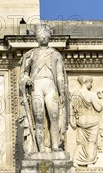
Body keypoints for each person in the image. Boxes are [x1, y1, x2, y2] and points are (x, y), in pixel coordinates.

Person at [19, 24, 69, 153]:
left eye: (45, 35)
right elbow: (24, 74)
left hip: (51, 85)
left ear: (49, 36)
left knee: (54, 116)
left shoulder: (56, 54)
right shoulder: (31, 54)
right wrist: (26, 80)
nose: (43, 37)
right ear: (37, 37)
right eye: (41, 35)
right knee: (39, 118)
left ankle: (55, 146)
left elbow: (59, 76)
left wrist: (62, 93)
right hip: (36, 85)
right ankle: (40, 149)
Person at [70, 75, 103, 166]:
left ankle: (76, 160)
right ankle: (88, 160)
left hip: (80, 122)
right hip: (92, 123)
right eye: (90, 82)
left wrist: (71, 119)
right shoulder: (91, 94)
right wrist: (101, 99)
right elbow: (98, 108)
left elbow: (72, 108)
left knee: (81, 143)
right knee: (91, 142)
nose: (92, 85)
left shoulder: (75, 93)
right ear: (85, 81)